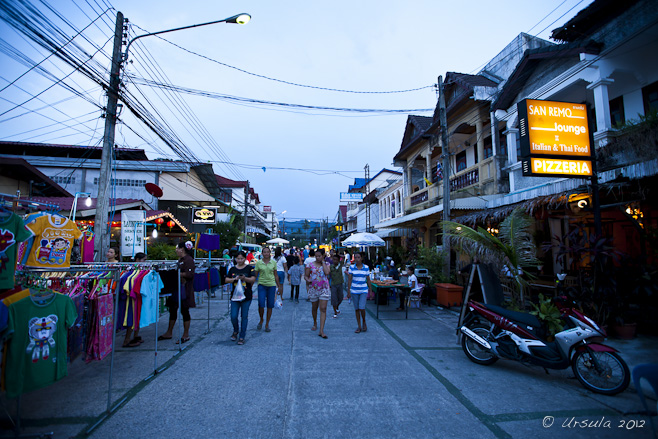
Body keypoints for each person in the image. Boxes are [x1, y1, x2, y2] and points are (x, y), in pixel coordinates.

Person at [158, 241, 195, 344]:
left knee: (184, 311)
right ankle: (169, 332)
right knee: (173, 310)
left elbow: (190, 274)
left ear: (182, 249)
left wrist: (177, 274)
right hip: (176, 289)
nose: (176, 251)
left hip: (185, 290)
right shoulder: (180, 260)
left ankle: (186, 334)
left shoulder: (189, 260)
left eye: (177, 249)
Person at [225, 251, 255, 345]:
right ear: (235, 259)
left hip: (246, 296)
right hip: (235, 296)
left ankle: (242, 335)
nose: (240, 260)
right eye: (238, 258)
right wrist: (235, 279)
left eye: (242, 258)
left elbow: (253, 279)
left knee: (244, 316)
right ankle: (235, 330)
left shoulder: (250, 268)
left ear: (245, 259)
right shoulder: (232, 269)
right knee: (233, 316)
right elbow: (226, 279)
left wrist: (244, 278)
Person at [254, 247, 282, 332]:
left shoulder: (273, 262)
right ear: (262, 253)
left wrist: (279, 286)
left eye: (267, 252)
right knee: (261, 304)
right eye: (264, 252)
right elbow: (255, 275)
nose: (266, 254)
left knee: (270, 305)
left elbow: (276, 275)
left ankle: (267, 323)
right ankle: (261, 319)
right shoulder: (258, 263)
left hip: (271, 285)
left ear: (270, 253)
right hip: (261, 285)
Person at [305, 248, 331, 338]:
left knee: (323, 308)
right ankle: (315, 322)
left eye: (319, 256)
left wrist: (323, 262)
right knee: (314, 307)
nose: (317, 258)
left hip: (324, 288)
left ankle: (321, 330)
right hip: (314, 288)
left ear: (323, 256)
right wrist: (308, 280)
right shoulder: (310, 265)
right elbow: (306, 275)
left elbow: (327, 272)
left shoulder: (327, 264)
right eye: (316, 256)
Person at [346, 252, 372, 333]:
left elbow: (368, 280)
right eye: (355, 257)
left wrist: (370, 291)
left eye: (358, 257)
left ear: (361, 258)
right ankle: (359, 326)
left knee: (362, 307)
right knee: (356, 309)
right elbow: (349, 279)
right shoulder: (352, 267)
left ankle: (364, 321)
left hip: (363, 290)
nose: (357, 259)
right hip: (354, 290)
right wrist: (348, 291)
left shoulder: (366, 268)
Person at [329, 253, 344, 318]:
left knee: (340, 297)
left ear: (338, 260)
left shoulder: (340, 265)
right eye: (334, 259)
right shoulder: (330, 266)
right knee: (334, 298)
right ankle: (335, 311)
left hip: (340, 283)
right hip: (333, 284)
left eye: (336, 260)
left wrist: (340, 256)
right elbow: (328, 275)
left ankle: (337, 306)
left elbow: (343, 259)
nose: (335, 261)